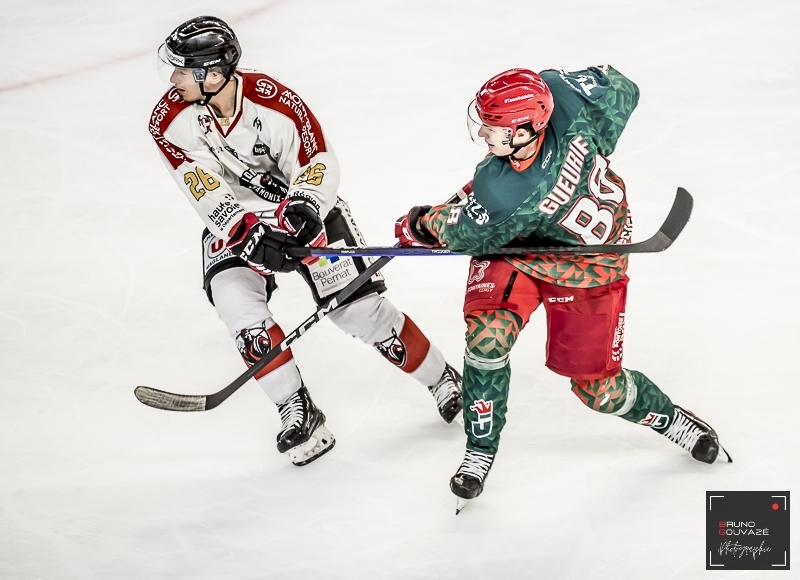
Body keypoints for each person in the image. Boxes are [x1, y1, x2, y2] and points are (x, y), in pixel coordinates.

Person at [394, 65, 730, 513]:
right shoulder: (558, 94)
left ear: (529, 128)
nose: (483, 134)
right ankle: (480, 447)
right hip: (525, 251)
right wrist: (594, 146)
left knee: (601, 392)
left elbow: (462, 233)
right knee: (487, 337)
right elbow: (623, 89)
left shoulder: (503, 192)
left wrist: (420, 222)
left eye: (494, 127)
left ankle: (673, 422)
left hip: (588, 271)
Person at [148, 16, 463, 466]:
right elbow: (199, 182)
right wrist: (244, 231)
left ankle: (441, 378)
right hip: (236, 221)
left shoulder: (272, 102)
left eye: (182, 70)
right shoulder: (169, 119)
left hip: (303, 209)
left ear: (213, 75)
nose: (173, 79)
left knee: (360, 313)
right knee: (239, 311)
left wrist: (303, 209)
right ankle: (298, 410)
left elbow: (316, 159)